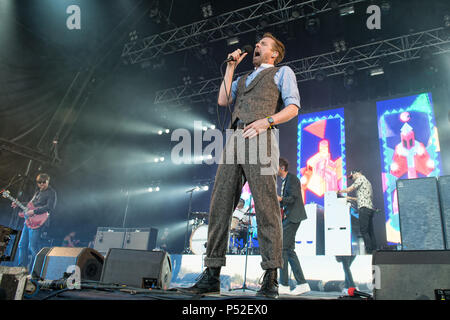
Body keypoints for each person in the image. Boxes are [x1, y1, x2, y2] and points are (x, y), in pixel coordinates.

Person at [182, 33, 300, 298]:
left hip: (262, 137)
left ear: (274, 54)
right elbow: (224, 100)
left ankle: (270, 276)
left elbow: (293, 108)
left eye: (264, 45)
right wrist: (231, 66)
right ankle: (212, 273)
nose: (257, 46)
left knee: (266, 205)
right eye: (257, 43)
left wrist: (267, 121)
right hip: (235, 138)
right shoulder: (243, 79)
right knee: (220, 203)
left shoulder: (282, 72)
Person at [277, 157, 310, 295]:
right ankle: (300, 283)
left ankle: (285, 284)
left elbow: (293, 198)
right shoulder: (285, 181)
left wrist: (280, 199)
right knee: (288, 249)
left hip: (294, 216)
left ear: (282, 167)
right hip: (289, 217)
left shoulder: (292, 179)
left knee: (284, 248)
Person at [14, 173, 57, 269]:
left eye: (43, 182)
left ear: (47, 181)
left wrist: (34, 211)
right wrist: (18, 203)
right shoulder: (37, 192)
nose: (41, 184)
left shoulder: (51, 192)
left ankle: (37, 269)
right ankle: (21, 268)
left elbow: (50, 207)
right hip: (29, 221)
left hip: (39, 222)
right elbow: (30, 204)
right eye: (39, 182)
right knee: (22, 244)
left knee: (32, 246)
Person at [338, 170, 377, 254]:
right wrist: (350, 198)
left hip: (364, 208)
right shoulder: (367, 182)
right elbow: (361, 198)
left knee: (364, 230)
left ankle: (369, 251)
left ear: (356, 173)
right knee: (370, 231)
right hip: (369, 208)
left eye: (352, 177)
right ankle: (374, 251)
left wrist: (338, 192)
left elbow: (349, 189)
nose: (352, 179)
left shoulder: (360, 179)